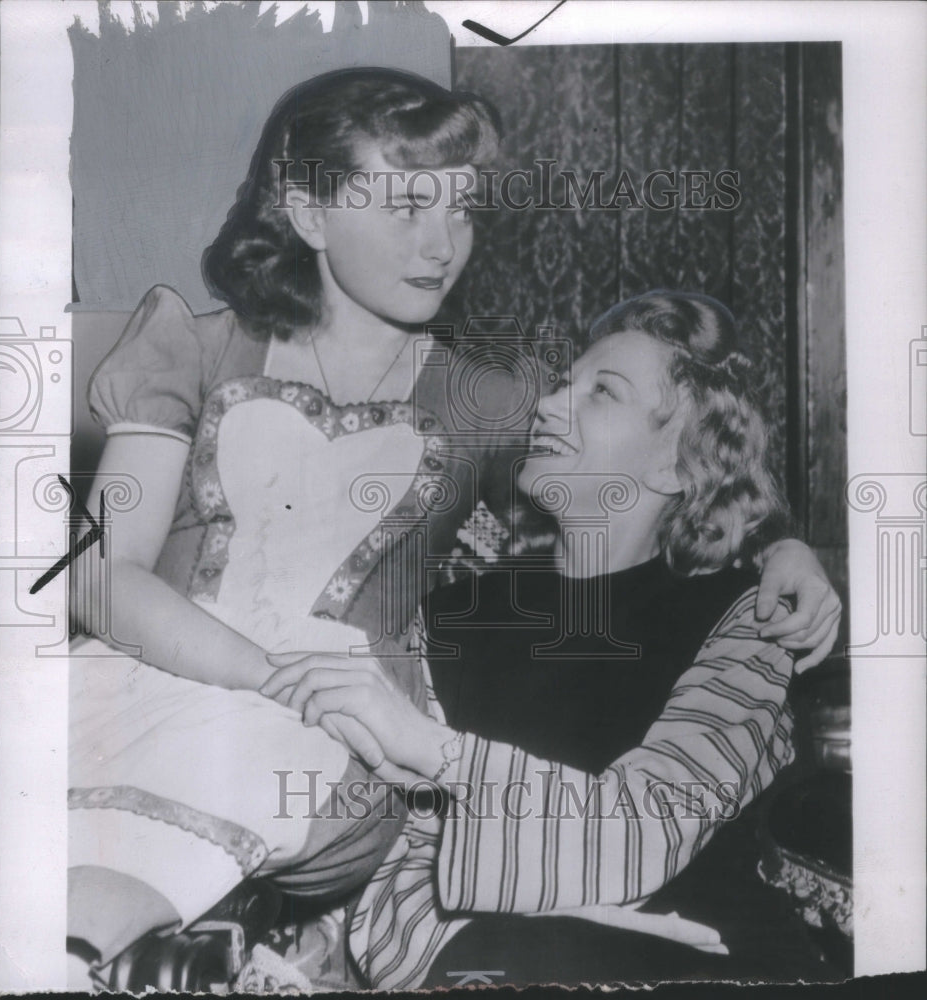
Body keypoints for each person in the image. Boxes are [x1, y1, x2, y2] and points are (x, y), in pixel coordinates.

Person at [68, 66, 838, 976]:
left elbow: (662, 460)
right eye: (405, 207)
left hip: (322, 741)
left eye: (462, 209)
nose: (441, 244)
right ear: (310, 214)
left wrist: (782, 542)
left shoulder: (487, 393)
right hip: (147, 678)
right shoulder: (190, 345)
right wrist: (264, 673)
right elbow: (96, 573)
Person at [284, 291, 840, 987]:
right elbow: (402, 869)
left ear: (675, 461)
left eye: (601, 393)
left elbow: (650, 824)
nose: (548, 406)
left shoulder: (745, 620)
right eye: (562, 385)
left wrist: (430, 747)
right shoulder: (457, 612)